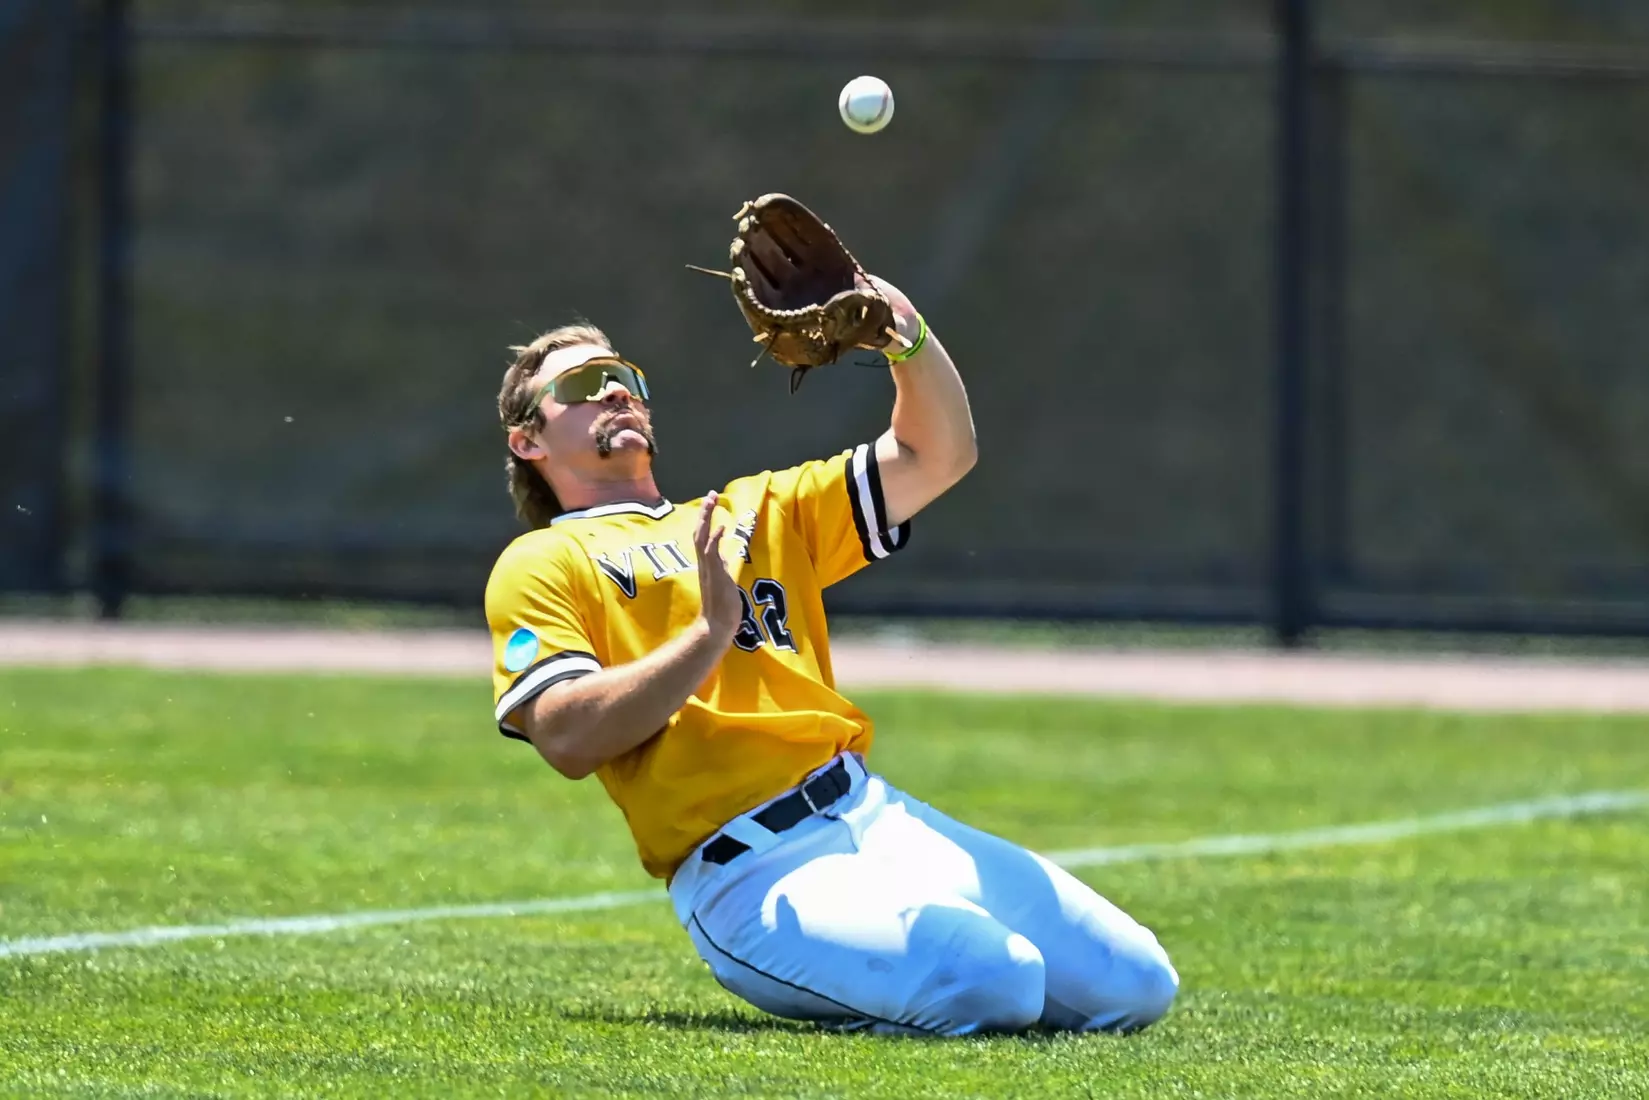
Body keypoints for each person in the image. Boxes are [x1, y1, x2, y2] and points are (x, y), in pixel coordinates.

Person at [484, 277, 1178, 1036]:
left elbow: (936, 453)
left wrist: (905, 338)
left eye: (626, 378)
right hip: (747, 874)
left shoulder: (756, 510)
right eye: (584, 385)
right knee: (994, 982)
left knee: (1140, 984)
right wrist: (707, 635)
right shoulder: (544, 562)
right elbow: (565, 736)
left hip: (872, 813)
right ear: (528, 440)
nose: (615, 392)